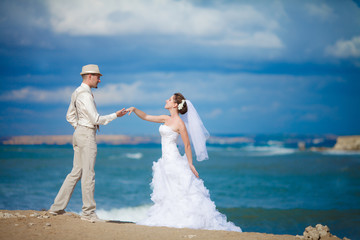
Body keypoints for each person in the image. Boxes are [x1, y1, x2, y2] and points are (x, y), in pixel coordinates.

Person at [126, 93, 242, 231]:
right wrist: (134, 109)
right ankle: (168, 218)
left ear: (175, 104)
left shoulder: (180, 124)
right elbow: (146, 116)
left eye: (169, 99)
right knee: (167, 191)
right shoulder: (165, 118)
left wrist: (190, 164)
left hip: (174, 160)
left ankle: (185, 219)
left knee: (180, 191)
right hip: (164, 161)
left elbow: (187, 145)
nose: (166, 100)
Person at [48, 64, 127, 222]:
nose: (99, 79)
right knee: (88, 174)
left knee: (76, 172)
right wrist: (116, 115)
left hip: (79, 134)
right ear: (89, 76)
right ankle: (88, 213)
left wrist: (78, 127)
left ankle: (56, 208)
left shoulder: (77, 92)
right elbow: (96, 119)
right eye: (98, 76)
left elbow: (69, 116)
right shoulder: (85, 94)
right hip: (86, 135)